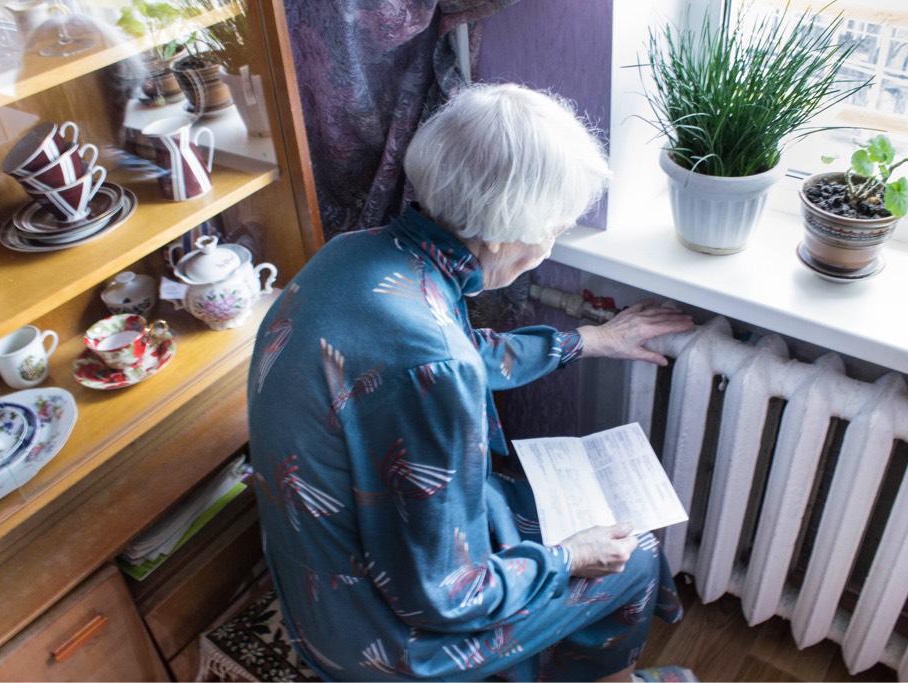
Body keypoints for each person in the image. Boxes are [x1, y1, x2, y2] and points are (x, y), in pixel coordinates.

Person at [247, 82, 696, 681]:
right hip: (379, 638)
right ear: (512, 233)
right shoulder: (433, 364)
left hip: (316, 571)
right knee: (634, 557)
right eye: (557, 226)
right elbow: (444, 598)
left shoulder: (361, 254)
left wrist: (592, 340)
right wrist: (569, 558)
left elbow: (450, 353)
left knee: (529, 508)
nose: (551, 243)